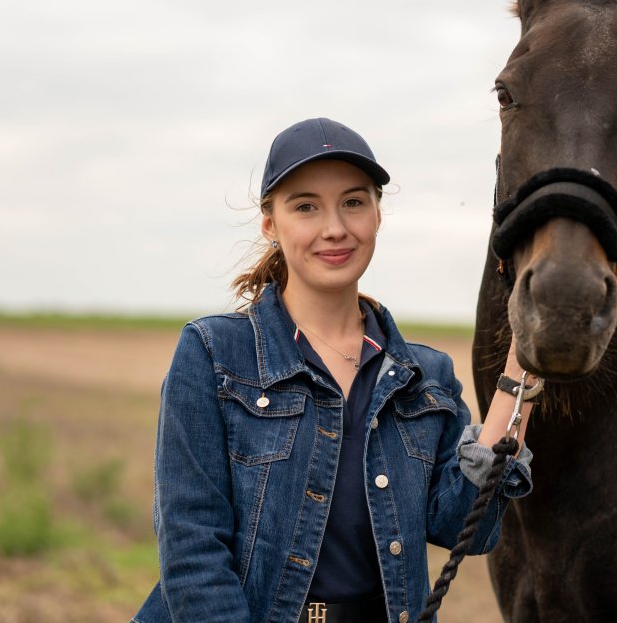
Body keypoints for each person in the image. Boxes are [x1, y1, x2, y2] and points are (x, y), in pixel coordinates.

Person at [132, 117, 537, 623]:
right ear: (269, 224)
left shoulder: (425, 376)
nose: (335, 228)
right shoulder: (214, 353)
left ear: (377, 215)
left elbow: (467, 530)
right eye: (305, 206)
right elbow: (192, 549)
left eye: (353, 201)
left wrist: (518, 378)